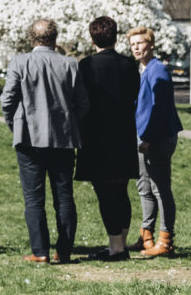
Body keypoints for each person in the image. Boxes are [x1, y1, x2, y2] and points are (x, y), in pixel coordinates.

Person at [0, 18, 89, 264]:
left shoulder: (20, 62)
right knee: (64, 197)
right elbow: (83, 104)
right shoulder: (70, 64)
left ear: (32, 39)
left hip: (28, 138)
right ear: (55, 38)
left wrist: (14, 124)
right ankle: (64, 251)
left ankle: (40, 252)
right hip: (63, 138)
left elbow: (7, 100)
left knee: (33, 199)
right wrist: (70, 122)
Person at [75, 16, 140, 260]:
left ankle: (115, 248)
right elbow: (135, 96)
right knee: (121, 191)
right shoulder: (128, 65)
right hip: (123, 134)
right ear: (115, 36)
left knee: (105, 193)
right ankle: (120, 242)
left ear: (92, 39)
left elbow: (80, 102)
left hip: (96, 137)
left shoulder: (85, 66)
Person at [127, 26, 182, 257]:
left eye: (140, 43)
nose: (136, 47)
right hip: (143, 136)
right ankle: (146, 236)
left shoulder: (158, 70)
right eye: (132, 44)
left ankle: (165, 239)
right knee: (144, 187)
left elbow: (158, 109)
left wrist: (148, 138)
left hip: (157, 138)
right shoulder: (141, 70)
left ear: (151, 45)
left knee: (160, 189)